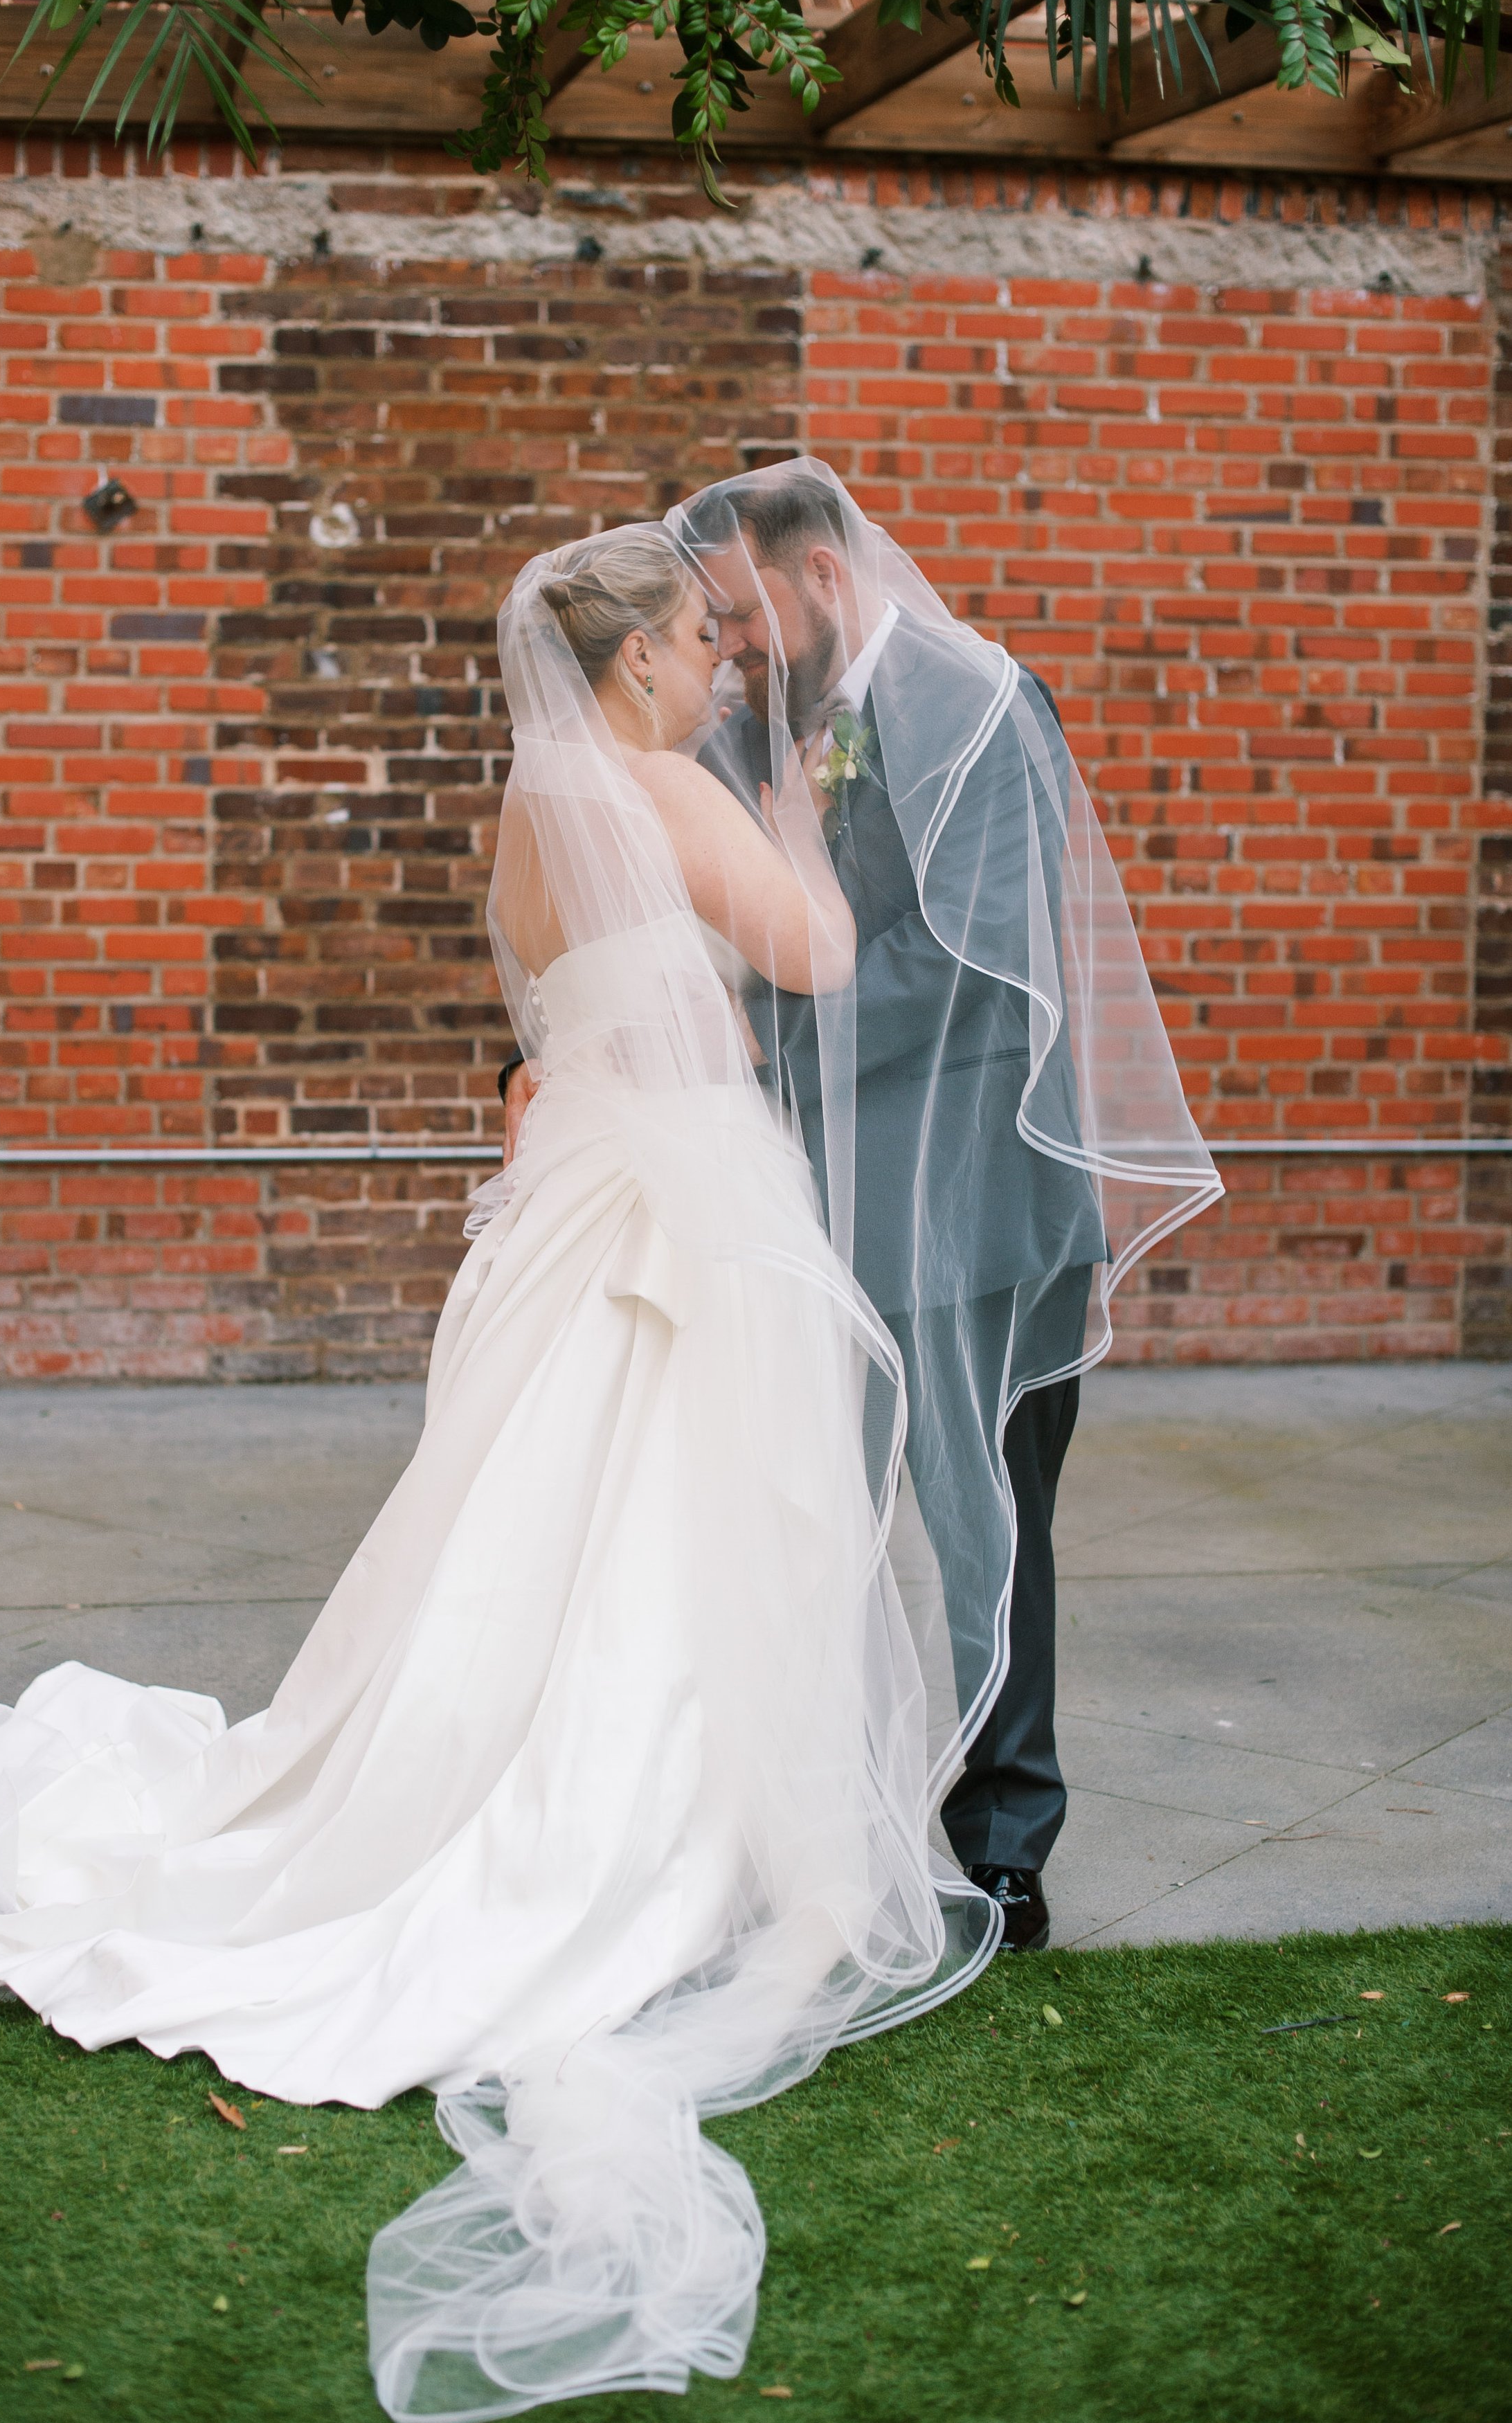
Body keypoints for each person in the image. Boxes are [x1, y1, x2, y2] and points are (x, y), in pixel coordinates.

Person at [0, 525, 1000, 2423]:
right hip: (680, 1172)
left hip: (580, 1175)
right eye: (694, 642)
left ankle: (517, 1783)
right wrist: (796, 798)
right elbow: (816, 952)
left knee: (529, 1519)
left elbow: (552, 1002)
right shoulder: (663, 780)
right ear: (633, 664)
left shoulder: (525, 804)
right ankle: (657, 1837)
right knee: (687, 1522)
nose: (718, 665)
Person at [502, 465, 1223, 1954]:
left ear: (819, 572)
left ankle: (1003, 1836)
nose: (735, 646)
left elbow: (974, 958)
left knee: (990, 1525)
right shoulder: (777, 718)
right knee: (800, 1517)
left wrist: (747, 1035)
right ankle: (814, 1821)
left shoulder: (982, 709)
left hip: (978, 1197)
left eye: (744, 613)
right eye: (710, 626)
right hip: (808, 1202)